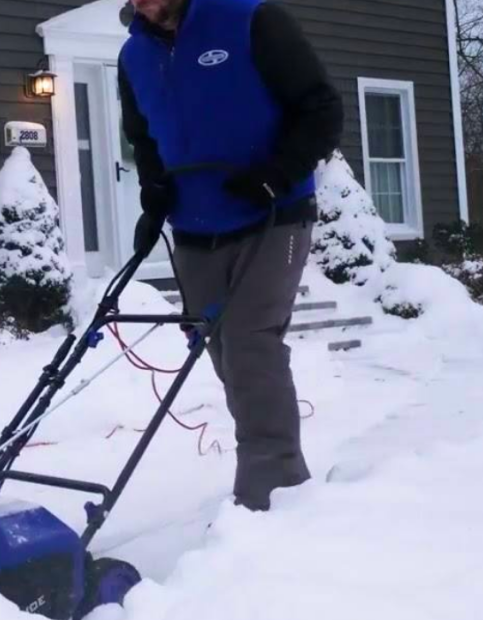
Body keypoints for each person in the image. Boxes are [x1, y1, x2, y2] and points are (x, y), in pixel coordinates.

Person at [118, 0, 343, 511]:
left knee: (249, 345)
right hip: (195, 227)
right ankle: (276, 478)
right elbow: (143, 138)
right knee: (220, 350)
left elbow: (322, 108)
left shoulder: (251, 19)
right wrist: (155, 192)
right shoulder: (134, 55)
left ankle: (273, 495)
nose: (145, 5)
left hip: (273, 213)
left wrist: (276, 173)